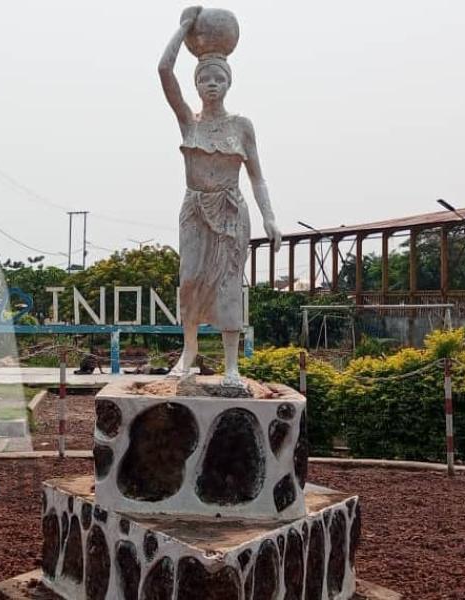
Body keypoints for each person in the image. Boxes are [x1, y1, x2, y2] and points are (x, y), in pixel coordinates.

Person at [159, 6, 282, 387]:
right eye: (205, 79)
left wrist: (270, 217)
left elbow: (257, 177)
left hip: (231, 211)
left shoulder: (241, 126)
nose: (211, 84)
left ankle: (232, 367)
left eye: (218, 79)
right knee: (190, 280)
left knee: (230, 284)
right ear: (196, 85)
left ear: (228, 83)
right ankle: (189, 351)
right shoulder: (188, 120)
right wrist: (183, 28)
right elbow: (164, 71)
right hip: (195, 208)